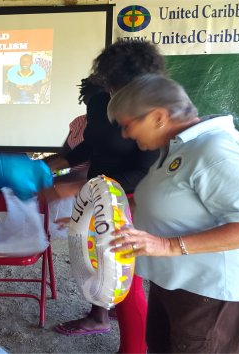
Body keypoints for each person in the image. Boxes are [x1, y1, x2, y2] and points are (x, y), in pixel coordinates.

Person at [106, 74, 239, 353]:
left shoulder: (215, 150)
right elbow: (165, 205)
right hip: (179, 281)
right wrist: (98, 219)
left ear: (159, 117)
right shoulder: (179, 147)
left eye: (128, 125)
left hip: (212, 291)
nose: (125, 134)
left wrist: (166, 245)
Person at [45, 41, 166, 354]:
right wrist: (54, 165)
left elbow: (144, 169)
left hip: (132, 197)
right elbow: (93, 143)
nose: (113, 95)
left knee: (125, 275)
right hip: (99, 192)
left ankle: (133, 349)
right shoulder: (100, 97)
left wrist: (78, 189)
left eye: (118, 88)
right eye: (109, 86)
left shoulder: (155, 108)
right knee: (96, 260)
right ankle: (99, 315)